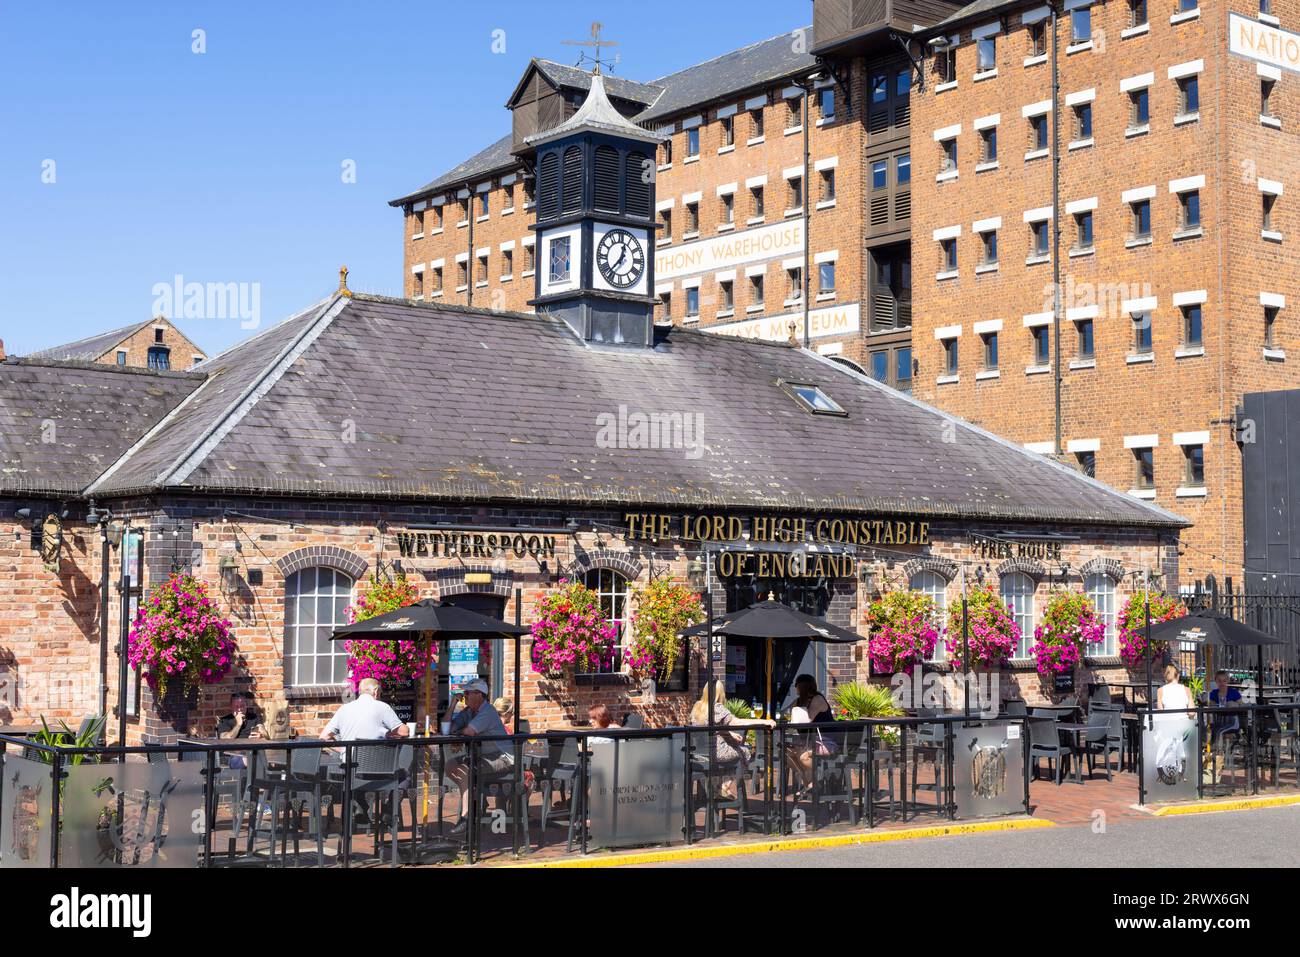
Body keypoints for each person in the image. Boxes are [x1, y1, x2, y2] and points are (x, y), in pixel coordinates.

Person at [443, 678, 514, 835]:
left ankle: (467, 816)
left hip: (503, 758)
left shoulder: (487, 711)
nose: (465, 696)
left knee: (466, 770)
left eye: (468, 693)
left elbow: (469, 732)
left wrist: (458, 732)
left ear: (480, 695)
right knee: (450, 765)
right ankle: (474, 802)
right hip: (483, 757)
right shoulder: (468, 711)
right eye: (465, 693)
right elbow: (447, 729)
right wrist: (453, 704)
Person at [690, 683, 772, 798]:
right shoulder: (717, 707)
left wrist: (730, 734)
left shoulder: (697, 706)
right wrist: (764, 721)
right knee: (745, 752)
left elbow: (711, 728)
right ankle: (724, 785)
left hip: (700, 754)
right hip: (717, 753)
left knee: (734, 754)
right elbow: (736, 722)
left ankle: (717, 787)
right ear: (720, 693)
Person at [784, 674, 837, 794]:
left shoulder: (817, 699)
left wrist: (794, 713)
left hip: (826, 741)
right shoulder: (799, 701)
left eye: (796, 685)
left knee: (803, 756)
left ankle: (814, 782)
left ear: (802, 686)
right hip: (809, 741)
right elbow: (785, 712)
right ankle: (810, 783)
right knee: (787, 754)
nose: (795, 687)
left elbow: (808, 719)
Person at [321, 678, 409, 742]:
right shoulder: (382, 706)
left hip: (348, 764)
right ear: (376, 691)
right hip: (378, 764)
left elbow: (324, 737)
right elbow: (404, 732)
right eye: (380, 693)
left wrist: (343, 751)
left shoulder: (343, 709)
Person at [1152, 665, 1195, 786]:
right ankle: (1182, 772)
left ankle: (1164, 770)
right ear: (1178, 676)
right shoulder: (1186, 690)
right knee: (1185, 738)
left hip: (1167, 728)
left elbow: (1160, 712)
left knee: (1165, 740)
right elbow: (1191, 712)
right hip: (1183, 727)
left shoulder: (1160, 691)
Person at [216, 691, 262, 769]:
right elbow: (225, 739)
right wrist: (238, 724)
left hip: (253, 752)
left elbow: (266, 734)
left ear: (246, 705)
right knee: (251, 759)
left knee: (262, 759)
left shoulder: (254, 718)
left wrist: (261, 736)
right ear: (231, 707)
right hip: (234, 755)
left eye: (242, 706)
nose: (240, 709)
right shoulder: (225, 720)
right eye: (236, 706)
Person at [1208, 670, 1243, 744]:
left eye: (1224, 680)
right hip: (1218, 720)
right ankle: (1212, 749)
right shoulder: (1214, 693)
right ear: (1216, 681)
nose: (1222, 683)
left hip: (1232, 721)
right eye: (1219, 681)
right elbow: (1210, 704)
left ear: (1227, 681)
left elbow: (1241, 705)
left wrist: (1234, 704)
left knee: (1219, 731)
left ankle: (1219, 751)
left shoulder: (1233, 692)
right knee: (1207, 729)